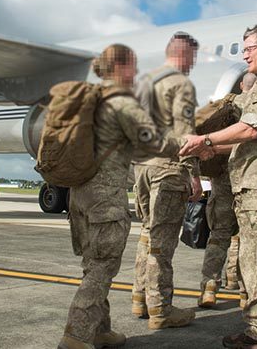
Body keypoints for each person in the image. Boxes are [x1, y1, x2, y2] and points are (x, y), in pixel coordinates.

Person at [181, 23, 257, 349]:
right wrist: (210, 148)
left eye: (249, 47)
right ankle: (256, 331)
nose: (244, 53)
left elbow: (251, 130)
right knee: (251, 266)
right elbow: (248, 141)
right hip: (251, 189)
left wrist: (204, 138)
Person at [60, 44, 187, 349]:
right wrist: (190, 142)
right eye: (133, 65)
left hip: (79, 196)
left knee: (93, 265)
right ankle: (75, 336)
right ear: (120, 66)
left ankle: (100, 330)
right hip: (105, 200)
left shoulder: (90, 98)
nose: (136, 72)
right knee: (102, 269)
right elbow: (153, 140)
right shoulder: (120, 101)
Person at [132, 31, 201, 329]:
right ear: (183, 54)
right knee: (162, 245)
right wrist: (194, 174)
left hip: (141, 169)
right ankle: (161, 310)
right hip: (167, 169)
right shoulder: (180, 83)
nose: (193, 64)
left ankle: (140, 300)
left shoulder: (144, 83)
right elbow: (185, 133)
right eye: (193, 58)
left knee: (147, 235)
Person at [199, 72, 257, 307]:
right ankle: (246, 293)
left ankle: (209, 287)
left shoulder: (227, 105)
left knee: (219, 234)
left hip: (222, 179)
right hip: (248, 179)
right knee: (247, 238)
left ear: (242, 85)